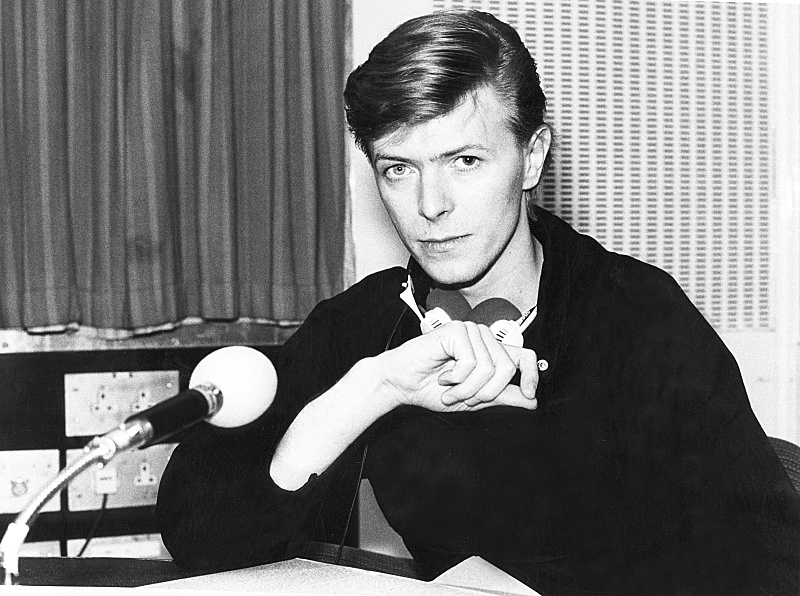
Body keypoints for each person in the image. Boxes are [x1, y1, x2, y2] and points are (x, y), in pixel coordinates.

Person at [156, 10, 800, 595]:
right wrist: (371, 389)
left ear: (531, 158)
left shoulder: (636, 313)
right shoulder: (366, 325)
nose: (430, 206)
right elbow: (200, 537)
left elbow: (768, 562)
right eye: (398, 169)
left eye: (463, 160)